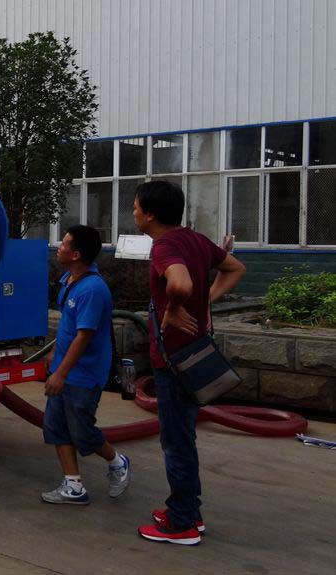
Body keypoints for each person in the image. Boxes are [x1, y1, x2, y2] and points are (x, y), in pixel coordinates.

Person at [132, 181, 246, 546]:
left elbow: (179, 284)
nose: (133, 213)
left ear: (150, 214)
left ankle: (181, 523)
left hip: (174, 361)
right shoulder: (195, 240)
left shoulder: (165, 246)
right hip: (193, 354)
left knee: (176, 442)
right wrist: (206, 300)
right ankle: (188, 511)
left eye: (135, 207)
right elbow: (235, 267)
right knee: (184, 436)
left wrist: (177, 305)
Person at [41, 225, 131, 505]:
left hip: (83, 374)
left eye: (64, 244)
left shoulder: (92, 289)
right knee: (55, 426)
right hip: (64, 367)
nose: (59, 247)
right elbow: (68, 327)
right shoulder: (69, 280)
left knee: (82, 432)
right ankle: (73, 486)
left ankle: (117, 463)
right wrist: (54, 352)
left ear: (76, 254)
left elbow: (84, 336)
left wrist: (60, 374)